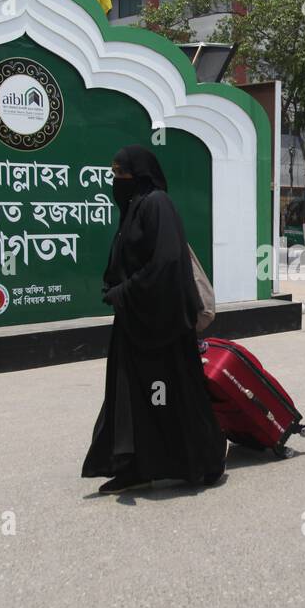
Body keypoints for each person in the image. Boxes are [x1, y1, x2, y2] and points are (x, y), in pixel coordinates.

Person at [82, 145, 227, 494]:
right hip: (137, 322)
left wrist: (124, 290)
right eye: (113, 174)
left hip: (164, 326)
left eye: (122, 175)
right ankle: (135, 465)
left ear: (140, 177)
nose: (115, 181)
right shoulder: (134, 207)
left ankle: (203, 462)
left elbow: (165, 264)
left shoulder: (156, 204)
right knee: (133, 399)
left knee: (171, 396)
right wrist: (115, 286)